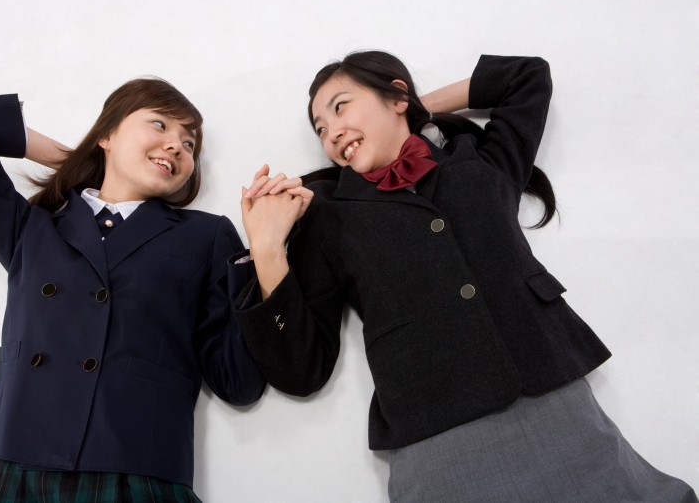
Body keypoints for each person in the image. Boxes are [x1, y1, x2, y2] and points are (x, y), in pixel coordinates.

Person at [234, 52, 697, 502]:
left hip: (552, 399)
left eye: (340, 107)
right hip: (436, 431)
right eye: (319, 129)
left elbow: (526, 77)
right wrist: (267, 249)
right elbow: (301, 368)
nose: (331, 133)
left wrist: (416, 107)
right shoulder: (326, 214)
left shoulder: (479, 161)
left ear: (396, 96)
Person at [0, 78, 265, 502]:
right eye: (160, 125)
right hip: (23, 463)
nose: (177, 145)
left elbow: (238, 383)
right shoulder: (33, 228)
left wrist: (263, 253)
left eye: (189, 143)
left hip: (137, 470)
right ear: (107, 134)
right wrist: (79, 158)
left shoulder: (206, 235)